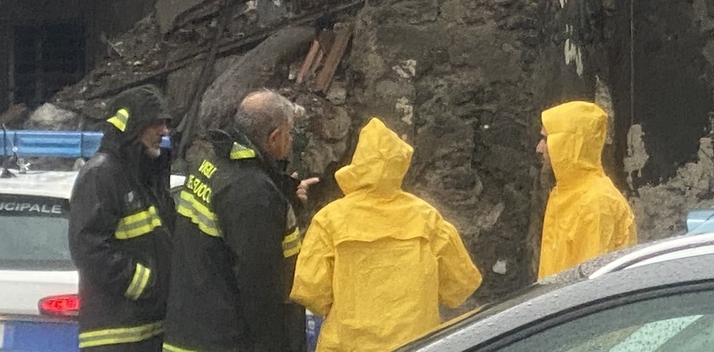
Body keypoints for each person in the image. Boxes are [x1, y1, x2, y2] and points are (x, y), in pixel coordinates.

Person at [291, 117, 482, 352]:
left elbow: (310, 291)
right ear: (400, 165)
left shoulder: (329, 219)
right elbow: (460, 285)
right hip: (418, 344)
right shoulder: (427, 218)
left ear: (359, 163)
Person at [164, 90, 310, 352]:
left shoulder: (212, 161)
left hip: (191, 330)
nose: (290, 140)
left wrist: (281, 198)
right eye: (289, 133)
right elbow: (259, 283)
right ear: (274, 137)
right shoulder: (252, 191)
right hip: (227, 339)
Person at [68, 87, 176, 351]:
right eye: (156, 124)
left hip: (149, 328)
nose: (164, 132)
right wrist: (145, 284)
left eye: (165, 124)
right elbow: (89, 247)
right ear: (132, 127)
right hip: (114, 335)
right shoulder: (101, 174)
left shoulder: (147, 176)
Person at [535, 100, 637, 280]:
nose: (539, 148)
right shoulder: (566, 193)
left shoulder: (596, 202)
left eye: (546, 139)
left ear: (567, 143)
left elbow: (587, 286)